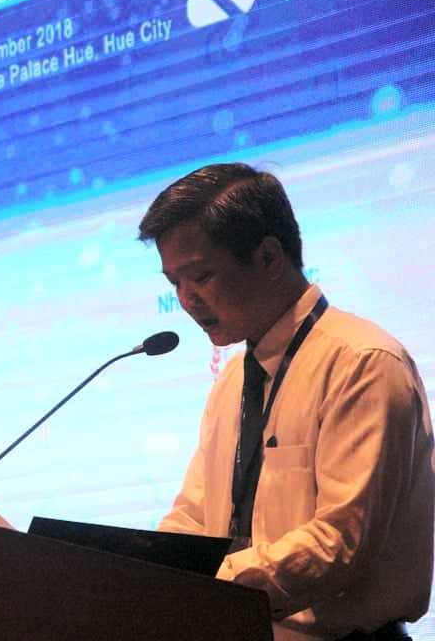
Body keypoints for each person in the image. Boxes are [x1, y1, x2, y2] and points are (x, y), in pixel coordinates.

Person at [138, 163, 434, 641]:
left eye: (201, 276)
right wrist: (141, 570)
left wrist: (207, 584)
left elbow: (339, 542)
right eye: (174, 283)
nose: (187, 299)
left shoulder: (362, 363)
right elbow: (196, 515)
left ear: (269, 258)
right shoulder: (235, 377)